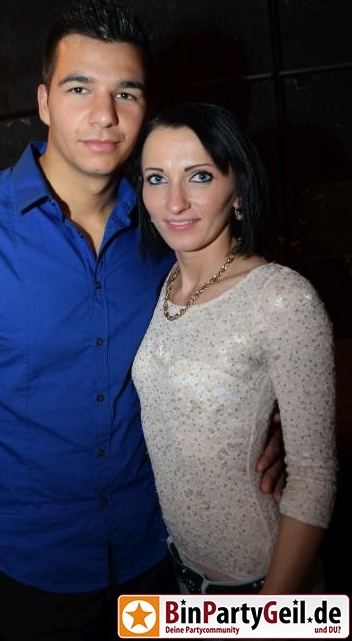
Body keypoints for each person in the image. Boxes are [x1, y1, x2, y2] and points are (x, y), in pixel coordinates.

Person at [0, 0, 283, 641]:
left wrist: (268, 421)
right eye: (79, 89)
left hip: (163, 551)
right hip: (28, 568)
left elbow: (229, 338)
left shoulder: (169, 225)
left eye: (126, 92)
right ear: (44, 101)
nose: (105, 115)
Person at [132, 101, 337, 595]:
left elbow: (314, 477)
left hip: (263, 583)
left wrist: (272, 615)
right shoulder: (167, 283)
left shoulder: (281, 298)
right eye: (156, 179)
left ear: (239, 191)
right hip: (183, 574)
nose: (174, 202)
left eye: (199, 177)